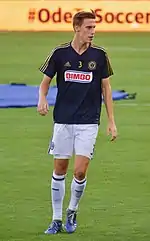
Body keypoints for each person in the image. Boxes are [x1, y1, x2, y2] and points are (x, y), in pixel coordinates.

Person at [37, 9, 117, 235]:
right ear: (77, 28)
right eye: (89, 27)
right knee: (60, 169)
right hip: (63, 120)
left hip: (88, 122)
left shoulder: (100, 55)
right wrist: (42, 99)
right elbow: (44, 83)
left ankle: (72, 210)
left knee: (80, 171)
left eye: (94, 27)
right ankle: (55, 219)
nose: (93, 32)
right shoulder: (60, 53)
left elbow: (106, 89)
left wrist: (111, 121)